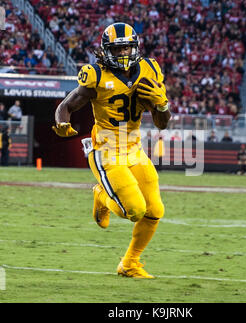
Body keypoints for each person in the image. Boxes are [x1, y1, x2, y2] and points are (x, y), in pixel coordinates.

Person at [52, 23, 171, 279]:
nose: (123, 53)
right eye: (117, 49)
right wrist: (62, 122)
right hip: (106, 151)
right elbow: (67, 105)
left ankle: (129, 264)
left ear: (135, 47)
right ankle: (100, 195)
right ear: (106, 51)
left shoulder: (149, 69)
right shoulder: (95, 75)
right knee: (135, 211)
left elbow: (162, 124)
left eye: (127, 47)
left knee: (154, 210)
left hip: (134, 149)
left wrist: (161, 106)